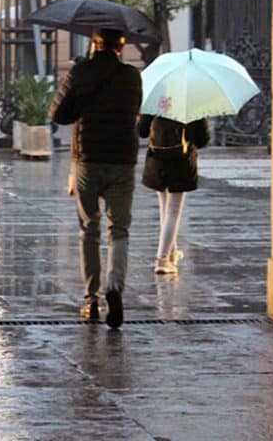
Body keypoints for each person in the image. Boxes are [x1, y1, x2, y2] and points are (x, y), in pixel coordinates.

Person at [49, 28, 142, 328]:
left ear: (94, 44)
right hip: (122, 162)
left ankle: (91, 298)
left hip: (88, 160)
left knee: (89, 229)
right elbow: (134, 112)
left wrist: (80, 96)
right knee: (119, 230)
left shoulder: (81, 73)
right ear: (121, 46)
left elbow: (58, 115)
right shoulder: (131, 76)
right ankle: (115, 287)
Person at [138, 115, 210, 275]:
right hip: (180, 161)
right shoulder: (190, 103)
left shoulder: (156, 98)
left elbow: (141, 131)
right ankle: (162, 260)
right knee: (173, 211)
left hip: (156, 160)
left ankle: (172, 252)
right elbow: (202, 140)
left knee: (165, 209)